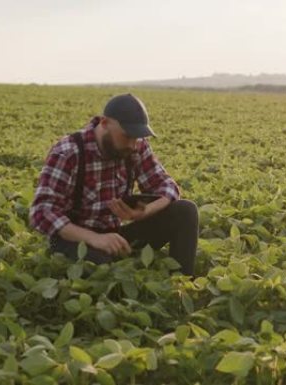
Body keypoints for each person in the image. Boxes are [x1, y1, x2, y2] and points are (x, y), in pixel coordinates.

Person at [29, 93, 198, 275]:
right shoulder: (68, 153)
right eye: (127, 136)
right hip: (75, 239)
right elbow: (42, 212)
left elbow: (167, 187)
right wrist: (95, 239)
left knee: (185, 211)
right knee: (101, 266)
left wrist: (142, 213)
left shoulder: (136, 146)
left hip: (116, 235)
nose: (133, 145)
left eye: (136, 138)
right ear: (104, 124)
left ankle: (181, 284)